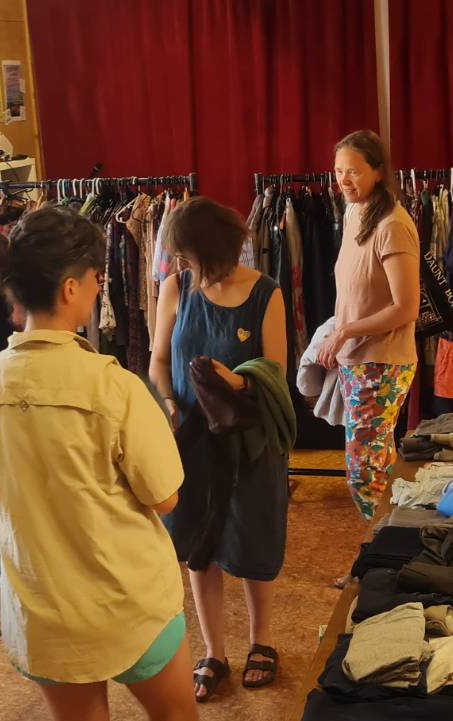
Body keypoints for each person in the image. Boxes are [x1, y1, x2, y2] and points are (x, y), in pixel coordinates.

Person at [0, 207, 197, 721]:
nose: (100, 289)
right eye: (97, 278)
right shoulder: (112, 384)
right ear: (71, 288)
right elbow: (163, 497)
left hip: (41, 604)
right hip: (124, 598)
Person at [149, 197, 289, 701]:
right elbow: (158, 360)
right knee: (197, 543)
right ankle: (214, 651)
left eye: (188, 256)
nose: (183, 265)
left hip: (250, 442)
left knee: (253, 537)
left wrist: (241, 380)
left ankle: (262, 641)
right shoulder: (176, 288)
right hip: (191, 440)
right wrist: (167, 400)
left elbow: (276, 373)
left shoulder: (265, 294)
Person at [316, 130, 421, 521]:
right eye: (339, 171)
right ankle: (383, 547)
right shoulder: (354, 213)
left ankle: (376, 549)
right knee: (370, 458)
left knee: (365, 465)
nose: (344, 180)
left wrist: (345, 331)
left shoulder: (392, 225)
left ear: (378, 172)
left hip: (382, 360)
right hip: (357, 359)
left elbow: (405, 307)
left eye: (354, 172)